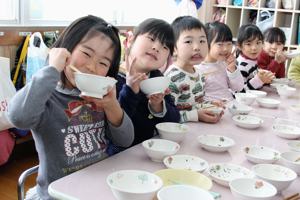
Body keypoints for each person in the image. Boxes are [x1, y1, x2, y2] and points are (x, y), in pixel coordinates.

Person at [7, 15, 134, 200]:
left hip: (99, 187)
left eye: (103, 63)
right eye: (87, 53)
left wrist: (112, 105)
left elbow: (125, 140)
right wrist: (51, 70)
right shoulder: (46, 95)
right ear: (66, 50)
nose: (91, 66)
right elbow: (18, 118)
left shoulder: (101, 98)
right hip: (59, 194)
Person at [116, 18, 180, 146]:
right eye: (151, 39)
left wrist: (158, 106)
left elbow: (175, 120)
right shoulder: (113, 77)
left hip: (151, 149)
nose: (156, 47)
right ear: (130, 41)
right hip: (120, 155)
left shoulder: (158, 79)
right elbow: (116, 125)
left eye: (165, 46)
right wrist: (130, 89)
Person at [164, 16, 223, 123]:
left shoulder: (198, 74)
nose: (197, 47)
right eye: (188, 41)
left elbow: (193, 103)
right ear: (174, 48)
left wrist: (209, 105)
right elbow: (167, 116)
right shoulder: (172, 78)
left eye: (202, 41)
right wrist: (197, 115)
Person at [196, 21, 244, 102]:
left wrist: (232, 69)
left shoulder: (225, 64)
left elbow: (238, 88)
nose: (225, 49)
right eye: (220, 44)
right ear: (206, 44)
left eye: (229, 44)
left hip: (230, 105)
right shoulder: (197, 68)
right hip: (211, 108)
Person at [236, 24, 275, 91]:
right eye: (248, 44)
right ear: (239, 46)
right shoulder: (241, 66)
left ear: (263, 44)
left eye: (258, 43)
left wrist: (265, 79)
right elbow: (239, 92)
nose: (254, 48)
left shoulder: (252, 61)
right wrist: (259, 80)